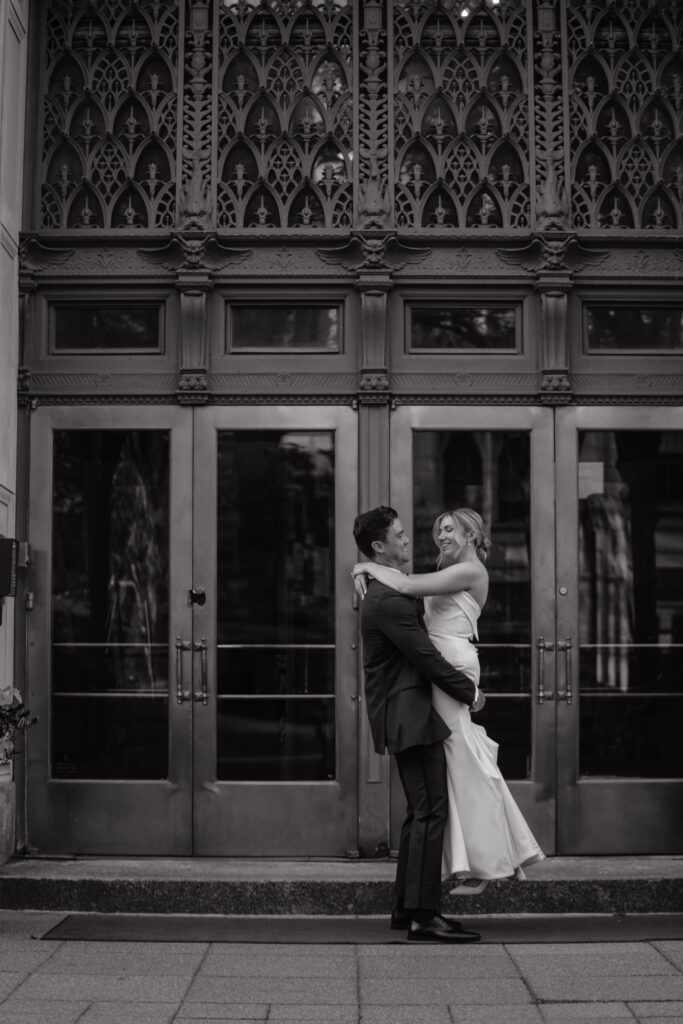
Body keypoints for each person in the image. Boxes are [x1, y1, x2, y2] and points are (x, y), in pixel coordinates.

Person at [354, 508, 544, 894]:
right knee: (456, 769)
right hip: (441, 669)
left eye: (450, 529)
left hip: (451, 665)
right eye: (438, 528)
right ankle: (475, 861)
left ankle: (487, 860)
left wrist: (364, 568)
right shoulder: (445, 572)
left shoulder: (471, 570)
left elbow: (406, 587)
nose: (440, 535)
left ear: (471, 535)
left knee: (462, 766)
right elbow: (404, 583)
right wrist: (366, 567)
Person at [352, 505, 486, 943]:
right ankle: (423, 917)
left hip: (406, 712)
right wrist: (471, 693)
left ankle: (406, 909)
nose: (409, 541)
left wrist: (363, 569)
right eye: (401, 535)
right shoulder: (388, 598)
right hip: (409, 714)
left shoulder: (382, 590)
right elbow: (426, 658)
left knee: (419, 812)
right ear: (380, 546)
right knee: (430, 811)